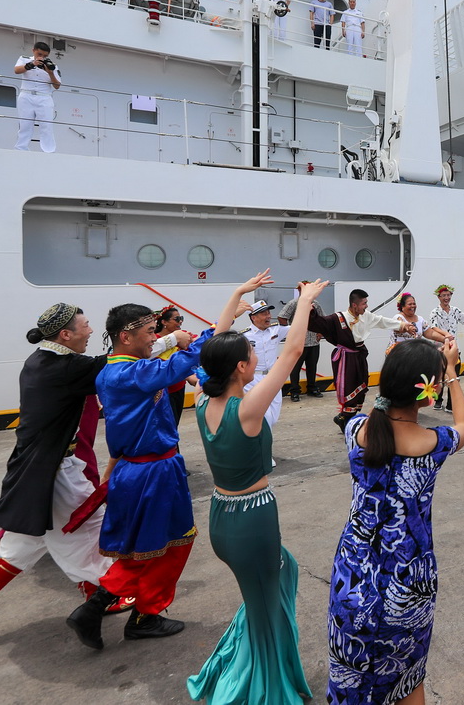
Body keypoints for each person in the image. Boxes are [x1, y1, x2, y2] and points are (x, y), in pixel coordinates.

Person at [66, 275, 241, 649]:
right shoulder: (133, 373)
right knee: (159, 544)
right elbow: (195, 353)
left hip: (145, 466)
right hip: (152, 469)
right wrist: (232, 304)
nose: (154, 337)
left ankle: (141, 612)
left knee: (164, 543)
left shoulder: (116, 370)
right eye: (150, 331)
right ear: (126, 337)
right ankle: (108, 608)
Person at [187, 278, 327, 704]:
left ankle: (256, 661)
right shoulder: (247, 409)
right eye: (249, 354)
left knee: (281, 575)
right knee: (266, 604)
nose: (254, 355)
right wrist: (303, 302)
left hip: (221, 518)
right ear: (242, 369)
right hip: (252, 520)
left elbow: (212, 342)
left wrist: (235, 296)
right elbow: (293, 353)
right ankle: (265, 686)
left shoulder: (200, 400)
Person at [0, 305, 123, 644]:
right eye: (85, 325)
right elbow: (114, 366)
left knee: (28, 541)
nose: (91, 330)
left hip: (35, 472)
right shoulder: (64, 367)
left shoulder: (38, 360)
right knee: (92, 528)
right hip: (57, 474)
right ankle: (99, 597)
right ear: (66, 335)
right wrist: (170, 340)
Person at [327, 339, 464, 704]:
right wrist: (452, 371)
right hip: (408, 584)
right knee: (407, 679)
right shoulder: (434, 443)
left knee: (351, 677)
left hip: (352, 576)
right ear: (427, 391)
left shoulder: (355, 430)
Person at [308, 288, 414, 430]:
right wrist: (308, 308)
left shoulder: (366, 316)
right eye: (364, 303)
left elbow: (382, 321)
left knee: (361, 386)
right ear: (354, 305)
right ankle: (345, 419)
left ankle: (345, 418)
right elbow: (318, 323)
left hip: (359, 356)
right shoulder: (337, 318)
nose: (366, 306)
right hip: (346, 359)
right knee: (349, 388)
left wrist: (403, 325)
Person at [427, 283, 464, 411]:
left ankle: (450, 404)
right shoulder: (435, 312)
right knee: (439, 375)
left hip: (453, 349)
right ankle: (438, 400)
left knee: (453, 375)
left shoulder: (455, 310)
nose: (446, 298)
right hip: (439, 348)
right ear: (439, 297)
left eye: (448, 295)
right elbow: (433, 327)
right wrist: (445, 334)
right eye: (443, 295)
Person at [240, 300, 291, 429]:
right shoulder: (244, 336)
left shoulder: (276, 330)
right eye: (263, 314)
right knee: (261, 415)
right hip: (253, 379)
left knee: (273, 416)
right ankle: (259, 441)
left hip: (273, 378)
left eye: (268, 313)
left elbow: (297, 329)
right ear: (253, 317)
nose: (268, 316)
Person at [279, 283, 326, 402]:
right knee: (295, 368)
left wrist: (320, 332)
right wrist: (289, 331)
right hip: (298, 343)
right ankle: (295, 391)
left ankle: (312, 388)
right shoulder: (294, 303)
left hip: (313, 342)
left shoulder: (316, 304)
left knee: (312, 367)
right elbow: (282, 317)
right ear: (299, 290)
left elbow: (322, 319)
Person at [14, 41, 61, 153]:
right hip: (26, 95)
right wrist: (32, 64)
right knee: (25, 124)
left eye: (45, 56)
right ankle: (21, 149)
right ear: (33, 51)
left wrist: (50, 72)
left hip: (44, 97)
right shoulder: (24, 59)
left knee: (46, 126)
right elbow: (16, 70)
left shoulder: (52, 66)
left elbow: (57, 85)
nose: (42, 57)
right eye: (39, 54)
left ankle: (48, 150)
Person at [156, 306, 196, 426]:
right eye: (176, 319)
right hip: (163, 391)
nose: (180, 321)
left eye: (181, 318)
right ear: (164, 322)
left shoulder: (183, 336)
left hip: (178, 389)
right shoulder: (155, 341)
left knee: (175, 423)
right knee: (167, 425)